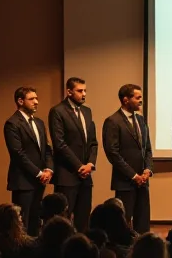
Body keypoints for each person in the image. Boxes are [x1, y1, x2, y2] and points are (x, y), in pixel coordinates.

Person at [48, 77, 98, 232]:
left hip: (86, 175)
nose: (83, 94)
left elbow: (93, 142)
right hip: (67, 174)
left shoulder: (87, 111)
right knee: (63, 219)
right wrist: (79, 166)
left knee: (83, 218)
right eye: (79, 91)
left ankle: (81, 250)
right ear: (69, 92)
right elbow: (59, 143)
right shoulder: (58, 111)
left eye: (85, 91)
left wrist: (90, 164)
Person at [103, 84, 153, 233]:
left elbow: (148, 148)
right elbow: (112, 153)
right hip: (125, 181)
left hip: (143, 181)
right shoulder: (113, 121)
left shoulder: (141, 120)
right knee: (123, 224)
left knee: (143, 223)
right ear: (126, 100)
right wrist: (133, 175)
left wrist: (148, 169)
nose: (141, 101)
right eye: (137, 98)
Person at [3, 86, 53, 236]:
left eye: (37, 98)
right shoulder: (12, 123)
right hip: (23, 181)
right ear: (20, 101)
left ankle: (34, 251)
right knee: (22, 222)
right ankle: (21, 253)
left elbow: (47, 149)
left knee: (35, 220)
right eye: (32, 99)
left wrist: (49, 169)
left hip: (40, 180)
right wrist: (38, 173)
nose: (36, 102)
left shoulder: (39, 123)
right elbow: (18, 154)